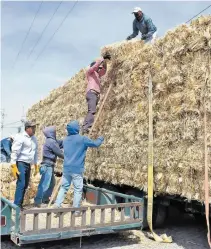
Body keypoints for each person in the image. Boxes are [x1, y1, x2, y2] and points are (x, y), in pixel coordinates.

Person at [54, 120, 104, 212]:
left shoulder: (65, 140)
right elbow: (96, 144)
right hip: (77, 169)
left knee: (64, 187)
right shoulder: (82, 139)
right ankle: (76, 210)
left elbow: (58, 144)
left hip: (66, 169)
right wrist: (101, 138)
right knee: (77, 189)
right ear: (77, 129)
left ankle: (57, 204)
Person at [10, 121, 38, 209]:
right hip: (20, 163)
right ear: (27, 128)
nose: (34, 129)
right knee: (21, 184)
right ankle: (17, 205)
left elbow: (35, 152)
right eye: (33, 128)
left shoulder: (34, 139)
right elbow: (15, 151)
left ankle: (19, 204)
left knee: (25, 184)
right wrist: (13, 165)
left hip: (28, 164)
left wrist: (35, 164)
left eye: (35, 128)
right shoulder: (20, 137)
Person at [34, 126, 64, 207]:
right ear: (52, 133)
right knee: (44, 184)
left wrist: (68, 140)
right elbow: (59, 153)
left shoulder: (51, 141)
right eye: (54, 132)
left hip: (49, 165)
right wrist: (69, 157)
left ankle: (45, 199)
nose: (55, 133)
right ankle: (38, 201)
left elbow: (60, 143)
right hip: (47, 165)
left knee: (51, 183)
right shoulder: (51, 142)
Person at [82, 52, 111, 134]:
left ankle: (87, 126)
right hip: (91, 93)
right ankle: (86, 127)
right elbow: (95, 67)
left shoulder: (98, 75)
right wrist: (101, 58)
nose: (99, 68)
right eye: (98, 67)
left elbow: (104, 71)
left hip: (95, 94)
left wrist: (104, 62)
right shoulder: (90, 72)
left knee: (92, 110)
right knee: (92, 110)